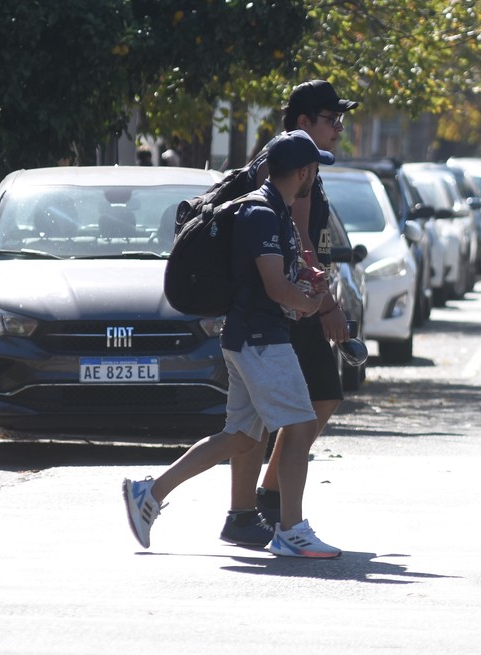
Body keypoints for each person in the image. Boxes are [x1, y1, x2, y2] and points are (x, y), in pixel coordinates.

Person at [123, 130, 342, 559]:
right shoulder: (262, 213)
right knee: (299, 428)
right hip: (262, 341)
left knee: (240, 437)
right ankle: (291, 530)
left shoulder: (269, 209)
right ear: (302, 171)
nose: (314, 178)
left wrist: (304, 285)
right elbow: (275, 288)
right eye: (314, 170)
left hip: (249, 338)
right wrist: (313, 303)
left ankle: (149, 493)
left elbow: (271, 280)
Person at [219, 79, 358, 547]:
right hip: (281, 309)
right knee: (306, 405)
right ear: (304, 123)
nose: (339, 127)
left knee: (296, 406)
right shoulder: (292, 175)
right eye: (330, 118)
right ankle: (263, 510)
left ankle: (258, 504)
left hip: (283, 308)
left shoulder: (296, 168)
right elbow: (297, 248)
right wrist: (327, 306)